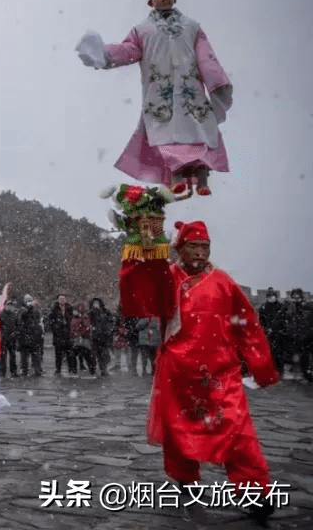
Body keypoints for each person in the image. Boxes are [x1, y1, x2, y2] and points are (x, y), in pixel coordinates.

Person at [119, 219, 278, 524]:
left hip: (221, 374)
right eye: (193, 246)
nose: (200, 253)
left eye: (205, 247)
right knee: (178, 435)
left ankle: (254, 493)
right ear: (180, 249)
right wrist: (142, 250)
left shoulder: (223, 282)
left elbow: (248, 326)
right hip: (177, 374)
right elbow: (138, 297)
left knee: (238, 432)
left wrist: (261, 366)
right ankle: (186, 481)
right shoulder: (168, 278)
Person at [76, 0, 232, 196]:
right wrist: (103, 54)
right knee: (166, 136)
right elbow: (128, 50)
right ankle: (176, 177)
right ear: (151, 1)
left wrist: (217, 85)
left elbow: (207, 59)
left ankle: (203, 179)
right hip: (160, 95)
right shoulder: (142, 31)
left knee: (199, 133)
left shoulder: (192, 28)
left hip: (190, 93)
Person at [257, 289, 287, 375]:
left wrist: (279, 329)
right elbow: (260, 320)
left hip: (279, 333)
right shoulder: (263, 307)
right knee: (269, 353)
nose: (271, 298)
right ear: (267, 298)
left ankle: (279, 371)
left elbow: (284, 320)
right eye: (269, 297)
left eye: (273, 296)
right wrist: (266, 329)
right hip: (268, 333)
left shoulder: (281, 307)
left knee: (279, 353)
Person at [48, 294, 76, 376]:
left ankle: (71, 368)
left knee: (70, 353)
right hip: (58, 334)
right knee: (58, 354)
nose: (62, 300)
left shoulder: (69, 308)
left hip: (67, 333)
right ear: (58, 300)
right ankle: (58, 369)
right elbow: (50, 321)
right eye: (60, 299)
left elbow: (72, 319)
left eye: (63, 299)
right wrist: (56, 326)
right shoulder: (54, 309)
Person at [18, 295, 44, 377]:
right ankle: (24, 371)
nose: (29, 302)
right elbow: (19, 321)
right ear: (24, 301)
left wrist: (39, 334)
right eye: (27, 300)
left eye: (30, 300)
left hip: (34, 336)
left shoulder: (36, 311)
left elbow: (39, 323)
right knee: (24, 357)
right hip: (24, 336)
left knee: (36, 356)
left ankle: (37, 370)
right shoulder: (21, 310)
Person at [88, 297, 114, 377]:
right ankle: (94, 369)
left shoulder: (105, 312)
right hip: (94, 337)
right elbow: (88, 320)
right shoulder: (91, 312)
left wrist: (109, 330)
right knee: (93, 354)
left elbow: (111, 321)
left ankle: (103, 369)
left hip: (104, 337)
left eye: (97, 303)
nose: (96, 304)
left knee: (104, 354)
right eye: (94, 303)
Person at [0, 296, 20, 378]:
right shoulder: (1, 314)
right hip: (3, 338)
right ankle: (2, 372)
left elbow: (18, 325)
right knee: (3, 356)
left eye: (11, 305)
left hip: (12, 338)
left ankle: (13, 371)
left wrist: (16, 332)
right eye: (8, 305)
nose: (10, 306)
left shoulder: (14, 314)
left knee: (13, 356)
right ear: (5, 305)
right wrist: (1, 334)